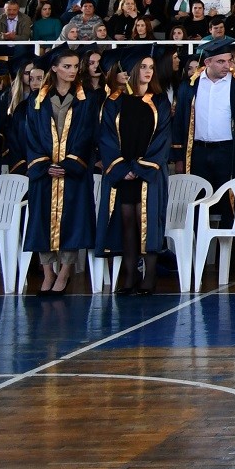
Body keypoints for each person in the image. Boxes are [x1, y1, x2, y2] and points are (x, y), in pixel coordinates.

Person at [20, 45, 100, 295]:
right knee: (42, 221)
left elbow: (87, 134)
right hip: (44, 173)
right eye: (67, 66)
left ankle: (64, 273)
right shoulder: (36, 99)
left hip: (73, 172)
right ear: (53, 68)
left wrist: (69, 164)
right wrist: (44, 165)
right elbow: (30, 136)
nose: (72, 71)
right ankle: (47, 273)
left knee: (72, 222)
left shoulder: (87, 98)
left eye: (76, 66)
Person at [96, 47, 172, 295]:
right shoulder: (113, 102)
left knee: (147, 221)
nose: (148, 71)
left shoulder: (159, 100)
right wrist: (121, 167)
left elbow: (163, 138)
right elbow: (106, 137)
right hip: (122, 172)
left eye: (151, 67)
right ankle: (129, 275)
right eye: (143, 66)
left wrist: (141, 167)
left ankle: (149, 275)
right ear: (130, 71)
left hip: (149, 172)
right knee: (127, 220)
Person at [170, 36, 235, 194]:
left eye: (228, 61)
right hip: (197, 152)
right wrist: (179, 157)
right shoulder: (189, 86)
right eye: (221, 62)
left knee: (228, 200)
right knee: (197, 199)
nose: (227, 66)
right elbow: (179, 121)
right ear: (207, 62)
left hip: (227, 151)